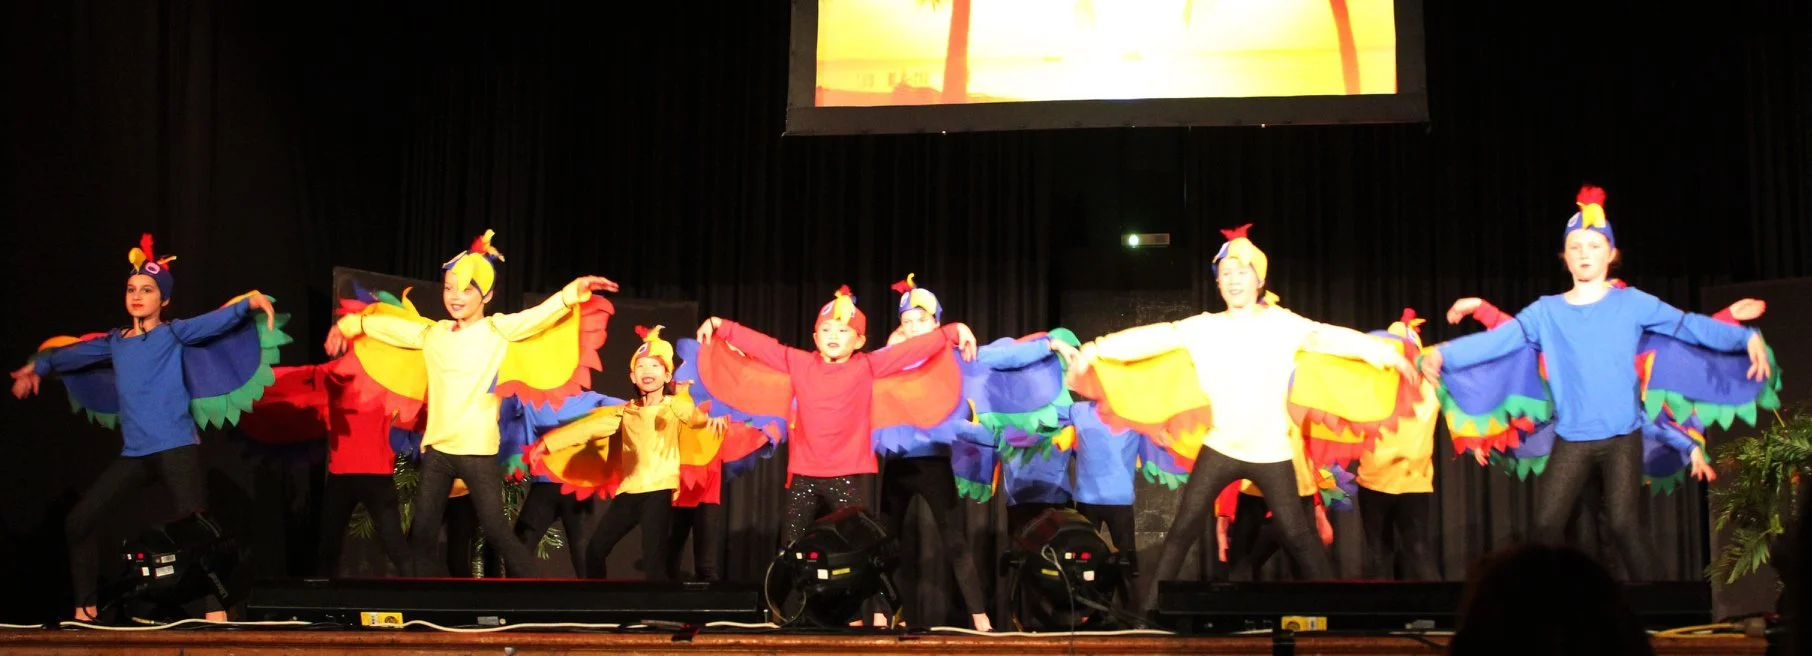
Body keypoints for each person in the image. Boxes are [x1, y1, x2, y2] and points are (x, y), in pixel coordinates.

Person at [1421, 186, 1772, 580]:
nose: (1585, 253)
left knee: (1623, 524)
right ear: (1564, 257)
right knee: (1546, 527)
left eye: (1593, 245)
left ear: (1611, 254)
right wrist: (1443, 354)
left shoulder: (1633, 302)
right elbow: (1498, 340)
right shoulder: (1546, 312)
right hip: (1573, 438)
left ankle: (1665, 607)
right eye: (1575, 247)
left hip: (1623, 436)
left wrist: (1745, 337)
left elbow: (1687, 328)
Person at [1067, 224, 1419, 612]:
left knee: (1299, 537)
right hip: (1221, 445)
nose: (1233, 280)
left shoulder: (1285, 324)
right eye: (1226, 274)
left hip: (1272, 452)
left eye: (1242, 271)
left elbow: (1335, 337)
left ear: (1260, 278)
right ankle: (1147, 618)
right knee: (1182, 530)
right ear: (1218, 283)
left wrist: (1388, 355)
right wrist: (1096, 350)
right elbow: (1152, 336)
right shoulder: (1204, 327)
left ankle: (1335, 620)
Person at [12, 234, 280, 621]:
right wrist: (36, 367)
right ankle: (85, 610)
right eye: (132, 289)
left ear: (163, 300)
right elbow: (65, 355)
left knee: (200, 536)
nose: (138, 295)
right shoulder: (114, 342)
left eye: (148, 290)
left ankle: (217, 621)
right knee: (78, 521)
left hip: (175, 447)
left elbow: (217, 320)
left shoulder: (173, 333)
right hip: (136, 453)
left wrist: (249, 303)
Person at [324, 229, 618, 577]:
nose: (455, 296)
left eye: (466, 288)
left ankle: (538, 593)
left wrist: (571, 293)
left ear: (487, 295)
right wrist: (352, 322)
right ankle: (421, 607)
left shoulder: (496, 330)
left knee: (496, 531)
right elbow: (392, 329)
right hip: (438, 451)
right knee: (422, 533)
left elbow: (538, 316)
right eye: (449, 288)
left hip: (477, 451)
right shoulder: (434, 333)